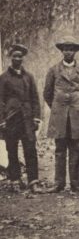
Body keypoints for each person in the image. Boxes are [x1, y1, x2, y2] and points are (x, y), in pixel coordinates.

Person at [43, 36, 79, 193]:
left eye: (71, 49)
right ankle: (59, 183)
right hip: (60, 114)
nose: (68, 52)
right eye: (65, 49)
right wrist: (58, 107)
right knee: (60, 148)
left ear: (75, 52)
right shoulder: (53, 70)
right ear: (62, 51)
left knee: (75, 149)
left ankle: (75, 182)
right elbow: (47, 93)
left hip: (77, 114)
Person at [0, 44, 43, 193]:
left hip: (27, 118)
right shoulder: (3, 78)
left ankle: (33, 181)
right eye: (15, 56)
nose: (17, 58)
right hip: (11, 118)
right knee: (11, 149)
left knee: (30, 149)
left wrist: (37, 118)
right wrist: (2, 120)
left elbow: (35, 98)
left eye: (20, 56)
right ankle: (15, 180)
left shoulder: (29, 77)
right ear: (10, 57)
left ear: (23, 58)